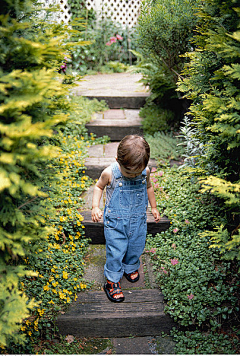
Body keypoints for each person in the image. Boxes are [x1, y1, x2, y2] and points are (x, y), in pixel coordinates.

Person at [91, 135, 161, 302]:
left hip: (138, 221)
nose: (133, 175)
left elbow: (149, 187)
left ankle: (130, 266)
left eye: (137, 172)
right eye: (129, 172)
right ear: (117, 160)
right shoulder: (110, 173)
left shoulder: (145, 172)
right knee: (116, 251)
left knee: (136, 245)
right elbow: (98, 187)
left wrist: (154, 207)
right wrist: (95, 207)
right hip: (115, 223)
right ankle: (112, 280)